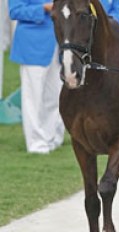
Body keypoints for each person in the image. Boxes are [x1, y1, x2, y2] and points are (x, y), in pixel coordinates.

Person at [9, 0, 64, 154]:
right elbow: (15, 11)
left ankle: (52, 137)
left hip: (58, 45)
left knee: (54, 95)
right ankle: (36, 143)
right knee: (33, 98)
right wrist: (43, 8)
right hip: (33, 46)